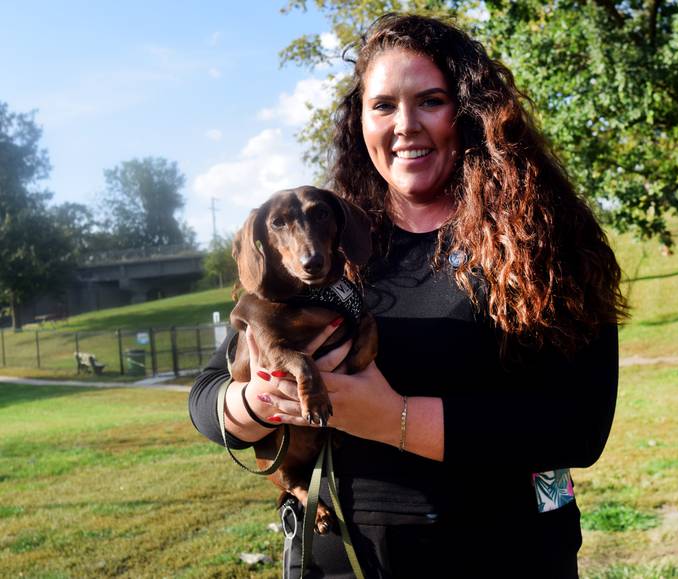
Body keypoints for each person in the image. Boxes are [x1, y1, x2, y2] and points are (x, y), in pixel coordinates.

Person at [190, 13, 625, 578]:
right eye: (384, 106)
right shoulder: (326, 239)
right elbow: (207, 395)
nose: (406, 125)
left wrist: (393, 417)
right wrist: (257, 405)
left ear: (468, 111)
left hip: (500, 554)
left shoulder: (543, 240)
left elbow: (578, 426)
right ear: (361, 122)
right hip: (342, 555)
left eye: (431, 101)